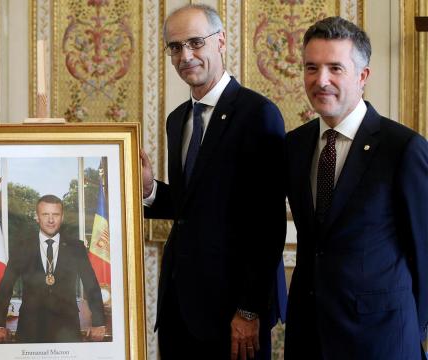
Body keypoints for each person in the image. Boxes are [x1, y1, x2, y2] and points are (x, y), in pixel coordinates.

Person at [140, 4, 287, 359]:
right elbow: (192, 207)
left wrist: (249, 310)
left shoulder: (257, 114)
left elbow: (268, 222)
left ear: (220, 41)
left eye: (195, 42)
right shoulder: (178, 121)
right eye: (175, 47)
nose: (185, 55)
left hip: (234, 313)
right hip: (180, 305)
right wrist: (149, 191)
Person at [284, 16, 428, 359]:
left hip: (381, 339)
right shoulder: (295, 145)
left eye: (336, 68)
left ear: (362, 76)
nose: (321, 81)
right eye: (311, 68)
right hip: (309, 335)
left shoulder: (403, 148)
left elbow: (424, 250)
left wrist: (409, 328)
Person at [0, 195, 106, 343]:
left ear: (62, 217)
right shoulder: (22, 247)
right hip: (29, 329)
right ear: (37, 217)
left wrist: (98, 322)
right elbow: (5, 286)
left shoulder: (76, 247)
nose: (51, 220)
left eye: (55, 215)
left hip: (67, 329)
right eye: (45, 214)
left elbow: (92, 286)